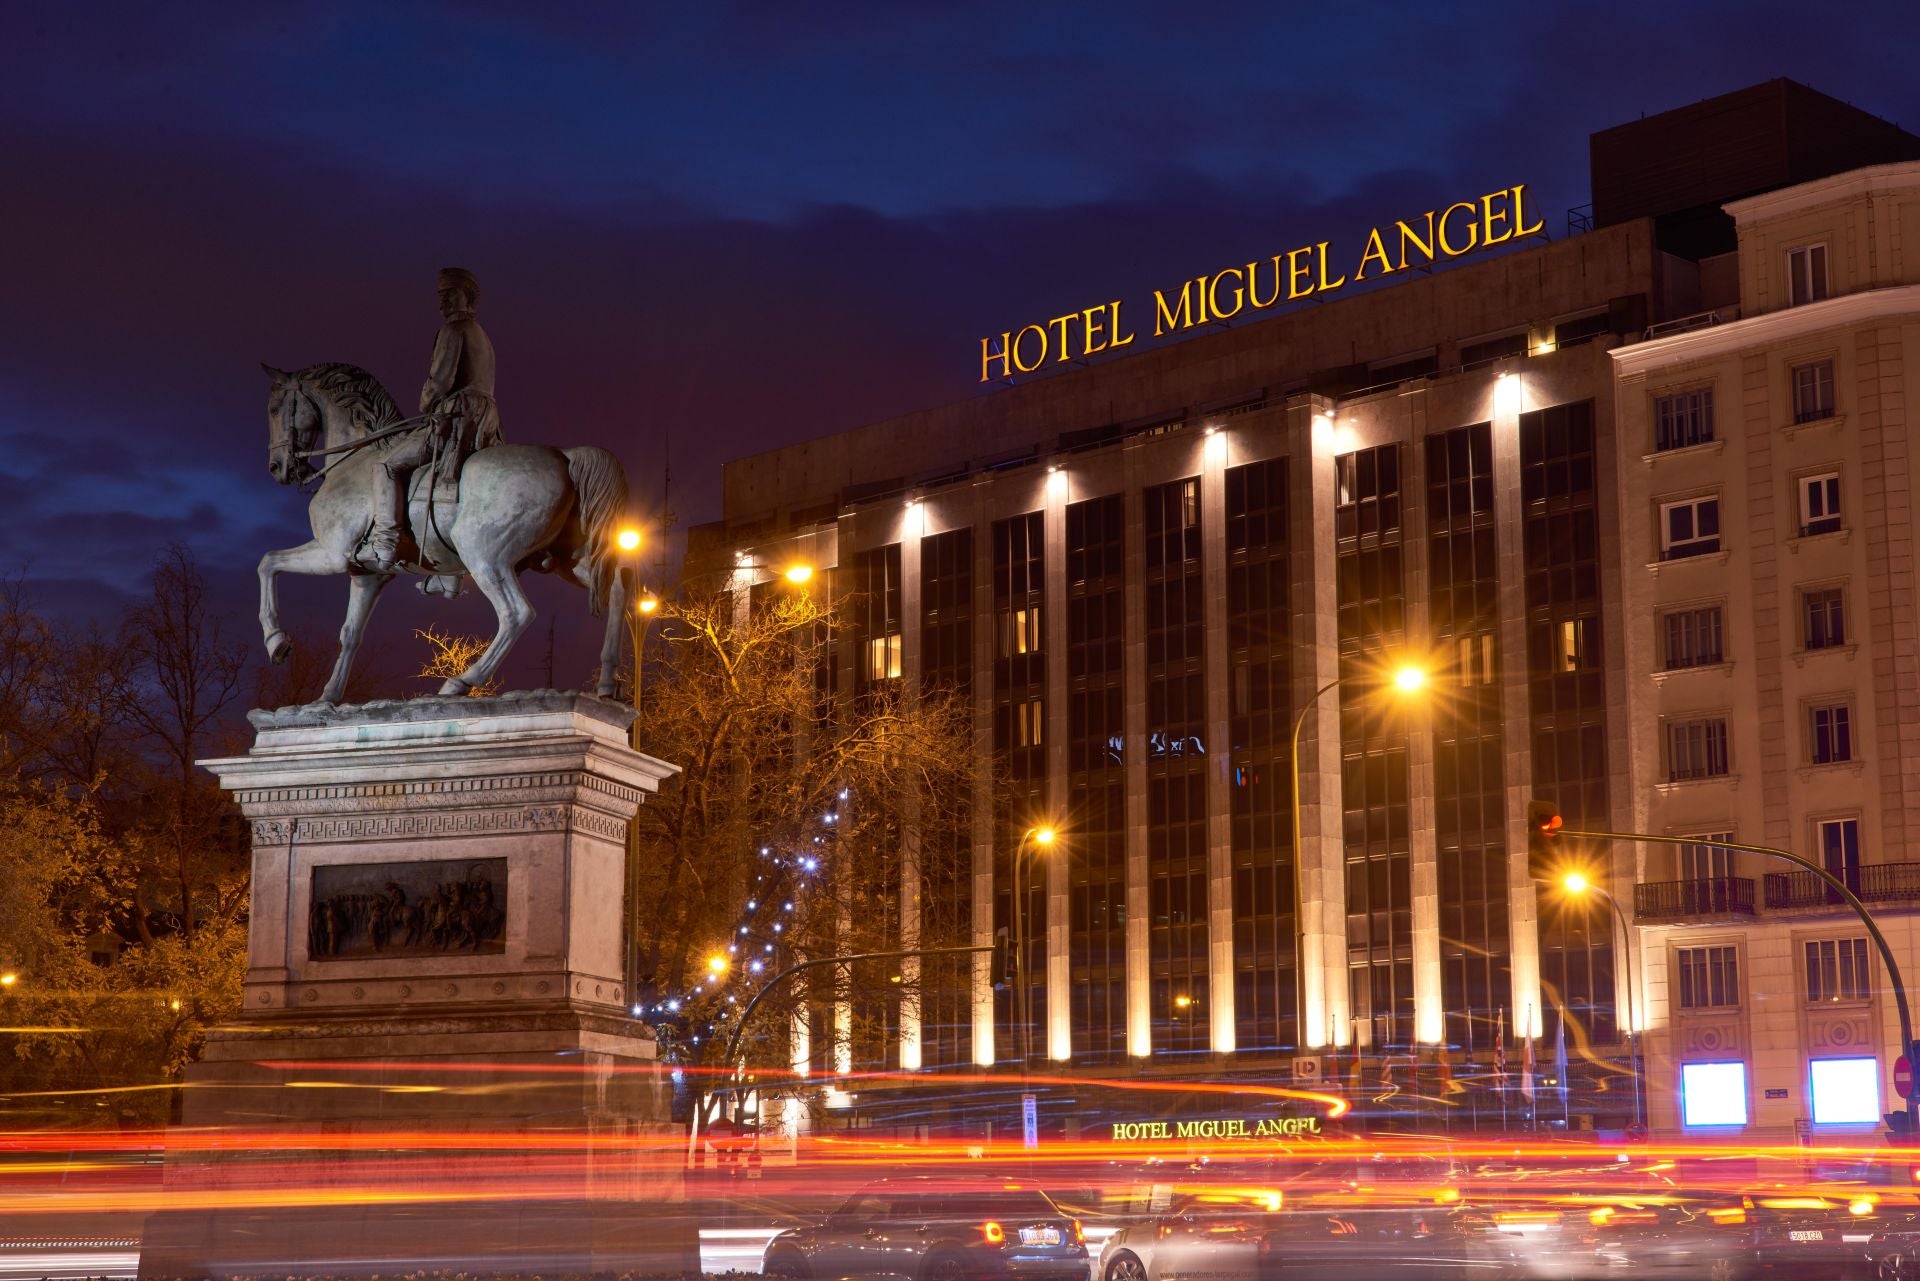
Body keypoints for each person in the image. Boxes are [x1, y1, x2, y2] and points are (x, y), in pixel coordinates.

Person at [363, 267, 503, 572]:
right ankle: (449, 573)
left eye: (450, 295)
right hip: (484, 420)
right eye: (441, 297)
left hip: (456, 419)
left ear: (467, 297)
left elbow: (440, 380)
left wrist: (426, 401)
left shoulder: (453, 331)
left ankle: (386, 542)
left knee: (385, 465)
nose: (443, 304)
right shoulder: (483, 336)